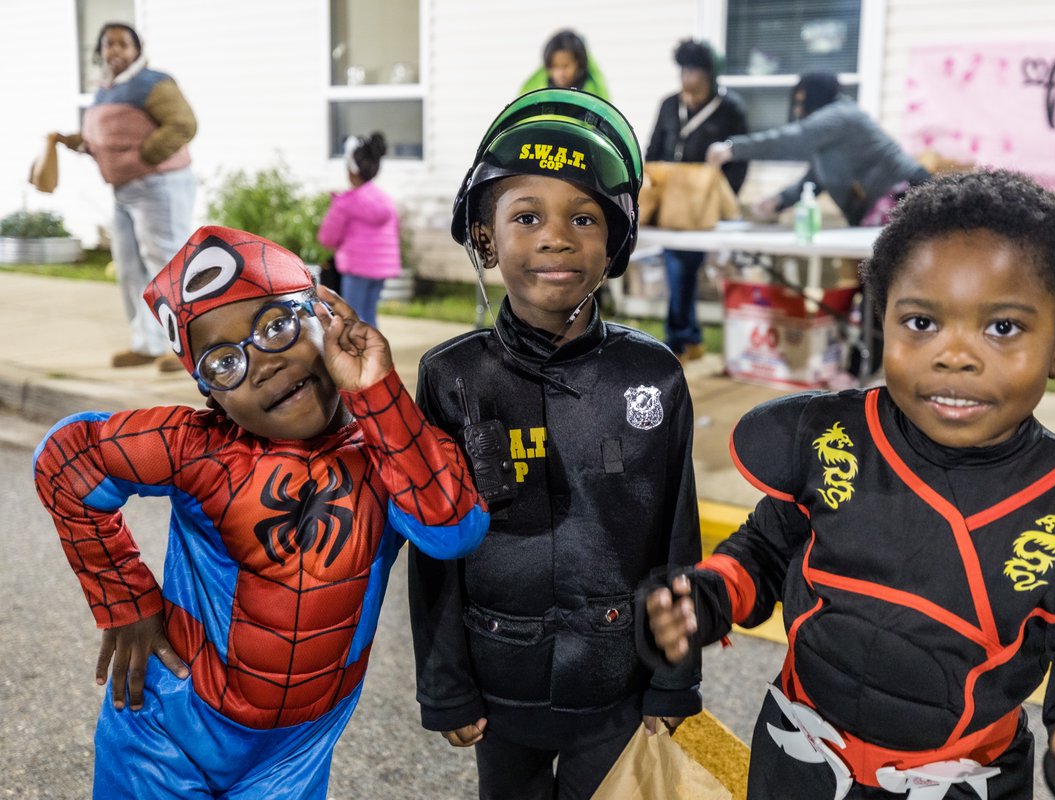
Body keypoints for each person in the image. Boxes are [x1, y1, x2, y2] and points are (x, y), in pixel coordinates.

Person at [640, 170, 1055, 800]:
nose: (954, 354)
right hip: (798, 753)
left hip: (958, 782)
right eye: (922, 323)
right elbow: (766, 551)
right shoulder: (835, 439)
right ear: (885, 320)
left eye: (1004, 329)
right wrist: (707, 597)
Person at [32, 225, 488, 798]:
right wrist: (125, 603)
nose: (264, 365)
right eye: (225, 363)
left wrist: (377, 390)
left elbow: (454, 529)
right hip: (163, 734)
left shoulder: (387, 450)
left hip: (293, 755)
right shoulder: (198, 448)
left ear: (324, 316)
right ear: (210, 395)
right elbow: (65, 458)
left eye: (277, 326)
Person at [408, 88, 702, 800]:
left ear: (617, 243)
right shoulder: (449, 377)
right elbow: (432, 545)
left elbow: (677, 540)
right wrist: (445, 685)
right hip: (497, 688)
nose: (556, 237)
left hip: (616, 687)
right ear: (484, 237)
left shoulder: (654, 377)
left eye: (585, 218)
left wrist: (674, 680)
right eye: (526, 216)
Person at [54, 22, 197, 372]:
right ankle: (146, 343)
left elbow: (183, 124)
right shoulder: (106, 90)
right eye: (108, 44)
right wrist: (81, 143)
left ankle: (189, 348)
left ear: (137, 49)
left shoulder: (153, 83)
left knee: (166, 264)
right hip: (123, 191)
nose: (115, 50)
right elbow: (110, 136)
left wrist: (141, 158)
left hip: (159, 185)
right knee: (130, 268)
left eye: (123, 44)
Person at [707, 71, 929, 228]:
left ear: (815, 96)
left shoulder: (839, 116)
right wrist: (780, 200)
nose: (798, 108)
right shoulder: (830, 135)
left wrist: (733, 149)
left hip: (908, 196)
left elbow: (789, 140)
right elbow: (816, 179)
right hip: (880, 209)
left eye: (801, 101)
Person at [645, 39, 748, 361]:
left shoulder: (730, 109)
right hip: (670, 203)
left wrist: (723, 200)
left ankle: (680, 337)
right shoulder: (668, 105)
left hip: (704, 205)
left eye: (696, 71)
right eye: (684, 70)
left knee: (682, 264)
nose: (688, 78)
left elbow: (740, 160)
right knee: (679, 264)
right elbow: (653, 151)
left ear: (710, 74)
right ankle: (689, 337)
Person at [318, 132, 401, 327]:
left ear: (352, 171)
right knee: (369, 314)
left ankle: (359, 354)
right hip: (380, 269)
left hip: (356, 267)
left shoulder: (346, 203)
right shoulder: (384, 200)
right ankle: (374, 350)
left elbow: (327, 237)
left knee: (353, 314)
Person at [519, 29, 609, 98]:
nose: (559, 73)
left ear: (579, 63)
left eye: (565, 66)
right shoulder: (535, 92)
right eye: (554, 66)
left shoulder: (593, 96)